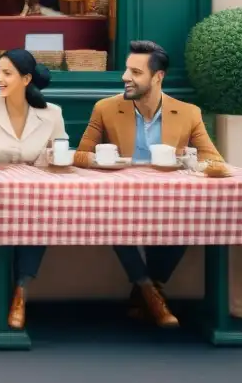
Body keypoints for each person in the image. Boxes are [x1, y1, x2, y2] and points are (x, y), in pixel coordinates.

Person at [74, 40, 224, 328]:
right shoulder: (105, 108)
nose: (125, 77)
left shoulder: (188, 112)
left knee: (194, 220)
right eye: (126, 70)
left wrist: (187, 162)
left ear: (158, 77)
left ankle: (145, 290)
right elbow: (81, 155)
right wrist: (107, 162)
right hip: (121, 201)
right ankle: (150, 294)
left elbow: (213, 160)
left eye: (135, 72)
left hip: (170, 200)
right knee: (111, 217)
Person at [0, 49, 66, 330]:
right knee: (8, 223)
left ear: (26, 78)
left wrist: (46, 158)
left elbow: (61, 152)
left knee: (43, 218)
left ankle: (20, 292)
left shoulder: (52, 113)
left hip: (37, 192)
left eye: (6, 73)